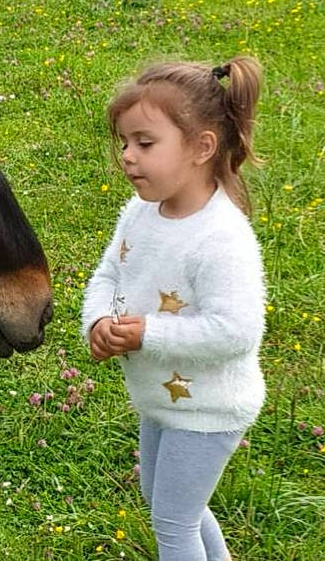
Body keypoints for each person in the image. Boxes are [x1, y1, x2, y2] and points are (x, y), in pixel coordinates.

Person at [81, 57, 268, 561]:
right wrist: (99, 321)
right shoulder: (138, 213)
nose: (127, 156)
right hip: (162, 398)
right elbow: (109, 276)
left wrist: (148, 334)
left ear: (202, 148)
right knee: (164, 502)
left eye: (145, 143)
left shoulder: (221, 237)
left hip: (207, 408)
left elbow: (236, 331)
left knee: (174, 522)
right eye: (124, 143)